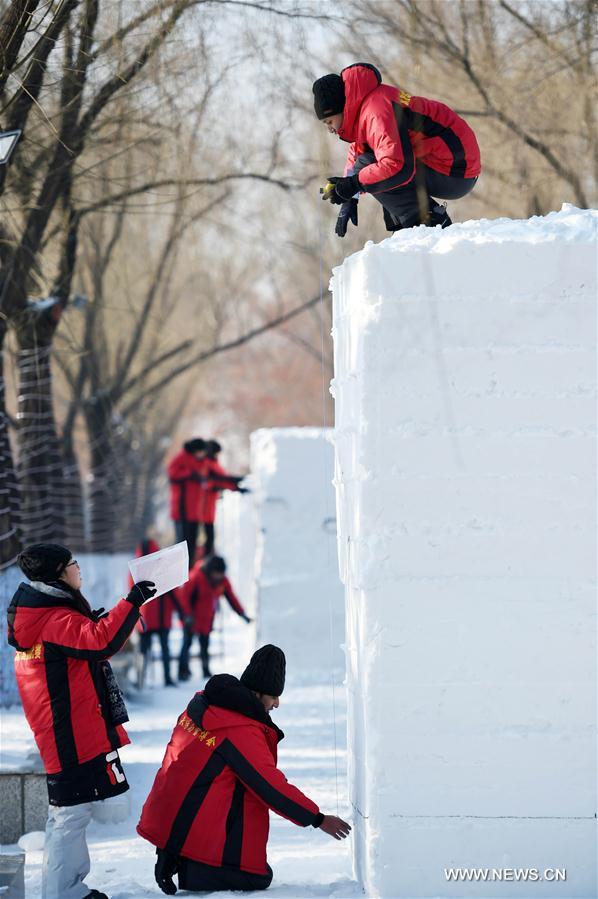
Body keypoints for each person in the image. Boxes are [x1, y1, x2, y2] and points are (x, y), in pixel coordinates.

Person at [6, 542, 156, 899]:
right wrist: (132, 601)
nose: (79, 569)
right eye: (73, 564)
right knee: (68, 815)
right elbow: (100, 640)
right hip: (67, 732)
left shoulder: (45, 613)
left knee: (72, 812)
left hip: (68, 728)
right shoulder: (54, 618)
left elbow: (84, 640)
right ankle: (62, 893)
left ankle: (68, 889)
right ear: (59, 574)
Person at [137, 644, 351, 894]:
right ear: (258, 694)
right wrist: (317, 819)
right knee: (257, 879)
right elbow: (269, 786)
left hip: (169, 816)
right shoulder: (239, 729)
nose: (277, 703)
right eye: (273, 696)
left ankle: (177, 851)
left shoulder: (206, 703)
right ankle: (190, 866)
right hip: (187, 818)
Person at [313, 62, 481, 234]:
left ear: (342, 109)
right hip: (446, 164)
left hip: (457, 168)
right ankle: (405, 230)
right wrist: (350, 196)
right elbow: (357, 155)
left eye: (329, 121)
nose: (330, 129)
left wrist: (354, 184)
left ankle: (430, 222)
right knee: (371, 166)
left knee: (377, 167)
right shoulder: (365, 110)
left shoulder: (376, 111)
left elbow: (396, 166)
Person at [178, 555, 251, 681]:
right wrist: (187, 616)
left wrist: (241, 613)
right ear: (211, 571)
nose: (219, 576)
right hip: (191, 619)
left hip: (207, 619)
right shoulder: (195, 577)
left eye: (221, 574)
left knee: (205, 645)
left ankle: (205, 670)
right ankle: (183, 671)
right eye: (217, 573)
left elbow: (231, 597)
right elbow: (184, 598)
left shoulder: (222, 581)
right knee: (187, 644)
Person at [132, 539, 184, 687]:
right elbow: (173, 593)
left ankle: (140, 679)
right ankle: (166, 678)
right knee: (164, 649)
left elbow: (131, 592)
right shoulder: (163, 568)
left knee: (144, 651)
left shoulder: (136, 569)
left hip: (145, 618)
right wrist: (181, 611)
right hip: (160, 617)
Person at [199, 439, 248, 557]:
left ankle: (207, 558)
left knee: (210, 536)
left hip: (210, 505)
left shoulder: (213, 463)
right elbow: (214, 481)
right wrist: (233, 484)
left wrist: (234, 486)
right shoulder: (207, 464)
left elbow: (222, 479)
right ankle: (205, 560)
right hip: (204, 505)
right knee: (208, 536)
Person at [167, 438, 208, 565]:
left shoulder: (200, 461)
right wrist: (189, 474)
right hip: (182, 511)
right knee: (182, 545)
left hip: (194, 512)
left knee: (191, 545)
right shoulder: (181, 458)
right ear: (196, 450)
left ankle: (189, 571)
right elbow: (171, 472)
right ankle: (181, 573)